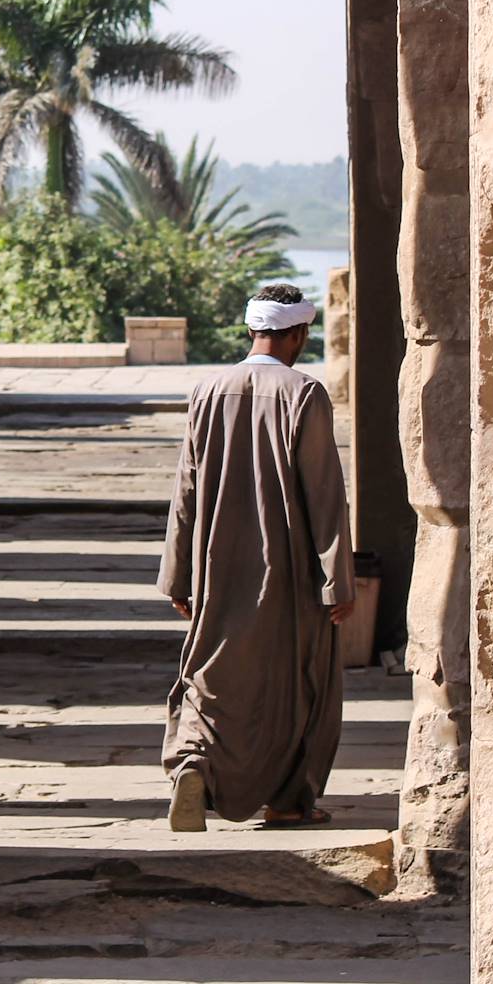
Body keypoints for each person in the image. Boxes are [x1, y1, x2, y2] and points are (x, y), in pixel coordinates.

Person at [157, 283, 356, 832]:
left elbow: (187, 490)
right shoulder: (304, 394)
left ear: (251, 330)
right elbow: (324, 494)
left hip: (217, 567)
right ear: (298, 334)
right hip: (288, 573)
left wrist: (177, 574)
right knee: (299, 684)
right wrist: (338, 582)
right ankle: (291, 801)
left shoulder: (208, 390)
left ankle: (194, 763)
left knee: (210, 674)